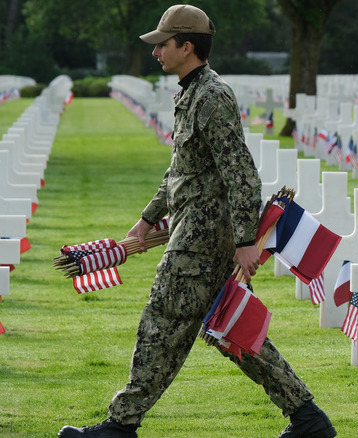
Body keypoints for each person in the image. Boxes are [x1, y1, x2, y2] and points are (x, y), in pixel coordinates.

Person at [58, 5, 336, 438]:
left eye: (163, 44)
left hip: (203, 240)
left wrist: (246, 240)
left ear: (187, 47)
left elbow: (241, 174)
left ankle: (121, 424)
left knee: (162, 319)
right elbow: (181, 173)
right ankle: (307, 418)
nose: (155, 53)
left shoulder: (212, 97)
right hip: (191, 230)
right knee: (224, 328)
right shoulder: (189, 94)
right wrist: (146, 220)